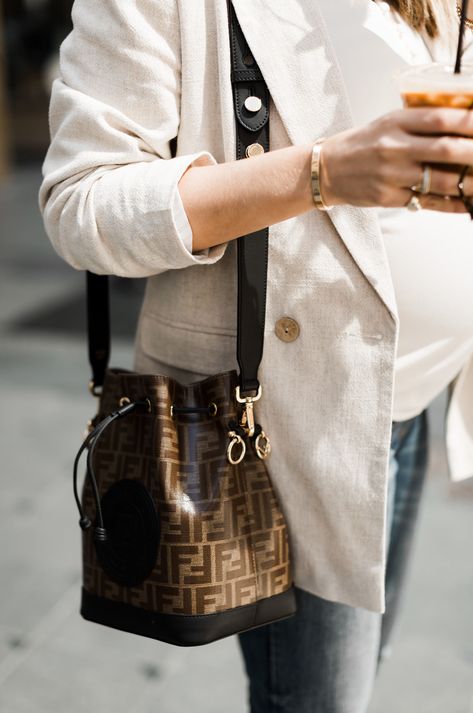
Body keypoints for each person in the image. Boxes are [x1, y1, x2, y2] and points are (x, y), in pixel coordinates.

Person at [38, 1, 473, 711]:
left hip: (412, 397)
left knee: (360, 672)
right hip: (283, 428)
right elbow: (82, 205)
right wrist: (322, 171)